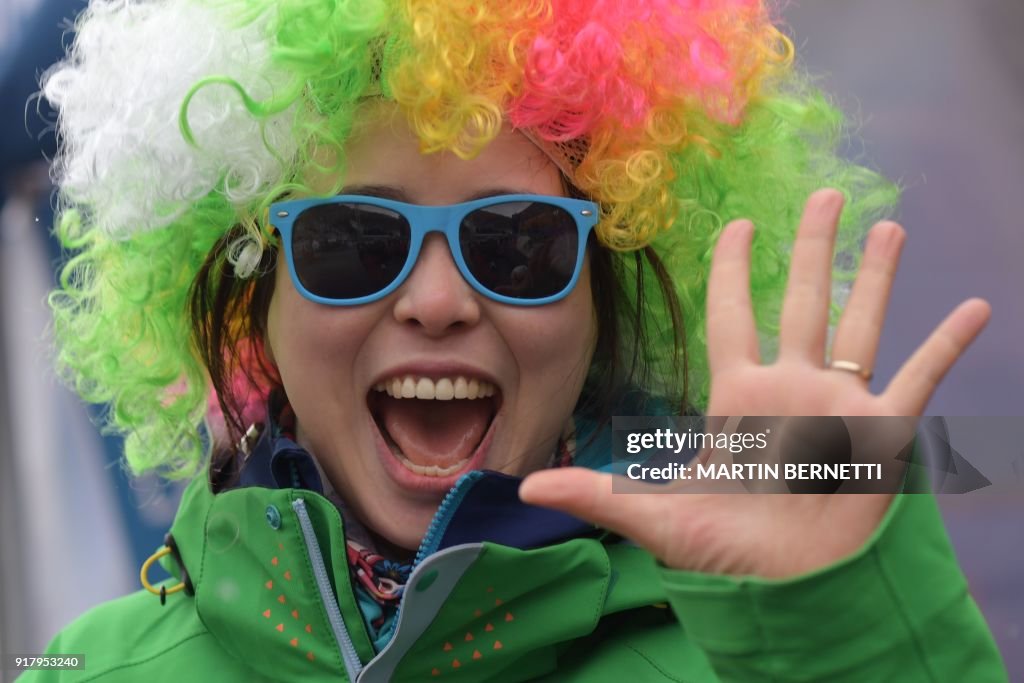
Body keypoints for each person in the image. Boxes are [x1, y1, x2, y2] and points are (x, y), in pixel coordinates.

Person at [24, 0, 1007, 680]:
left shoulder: (750, 656)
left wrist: (846, 624)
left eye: (518, 244)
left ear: (607, 297)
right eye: (356, 241)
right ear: (253, 301)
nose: (439, 300)